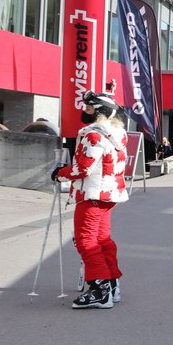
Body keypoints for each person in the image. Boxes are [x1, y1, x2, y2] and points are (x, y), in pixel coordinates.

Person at [51, 91, 129, 310]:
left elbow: (82, 168)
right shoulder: (118, 134)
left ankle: (100, 290)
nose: (84, 112)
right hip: (109, 194)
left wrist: (59, 172)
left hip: (92, 195)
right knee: (103, 240)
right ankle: (112, 285)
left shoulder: (92, 134)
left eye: (88, 108)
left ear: (100, 111)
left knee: (87, 242)